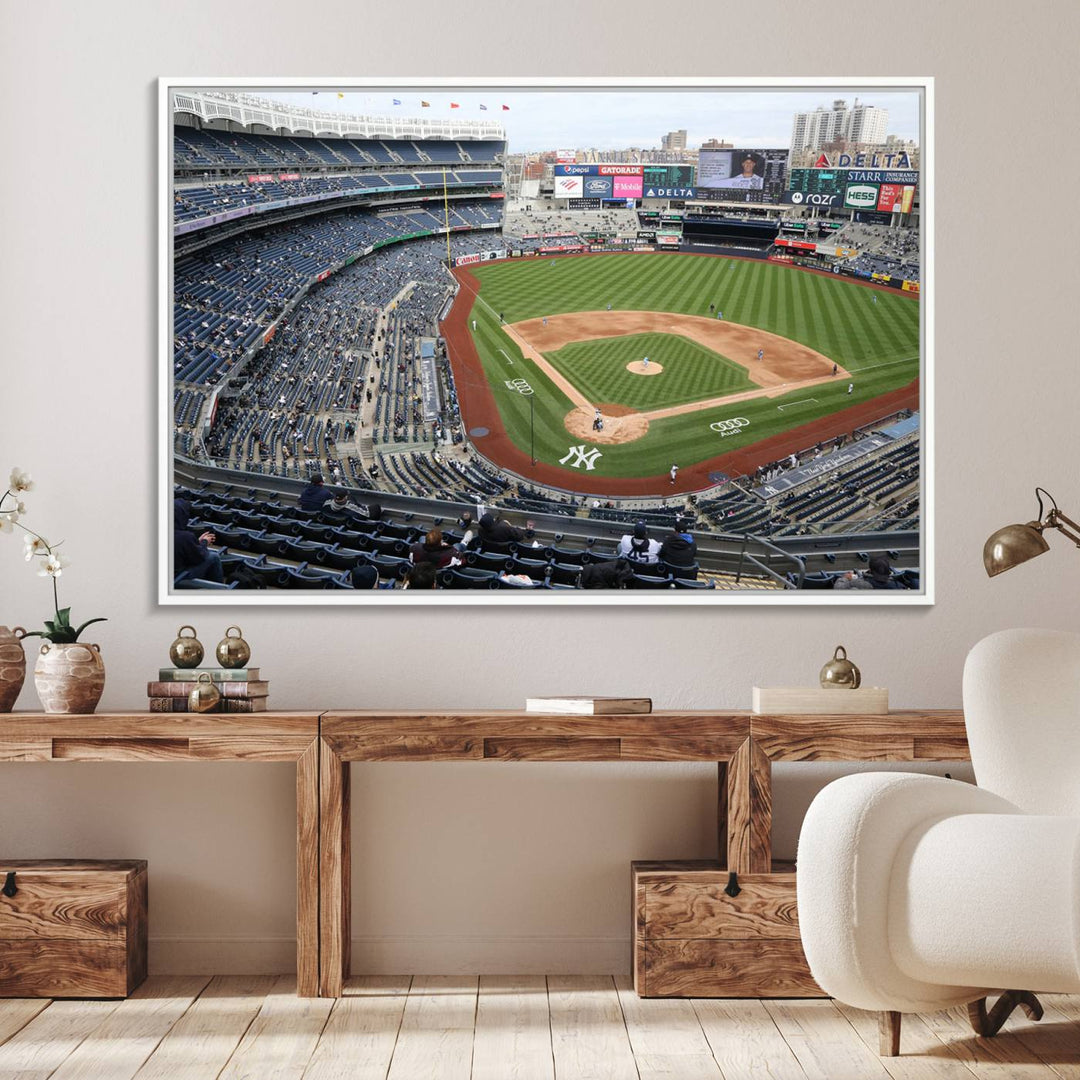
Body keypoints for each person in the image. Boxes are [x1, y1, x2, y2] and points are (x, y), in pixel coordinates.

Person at [173, 498, 223, 585]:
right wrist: (204, 543)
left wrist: (196, 543)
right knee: (213, 557)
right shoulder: (185, 537)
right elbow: (199, 558)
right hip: (176, 579)